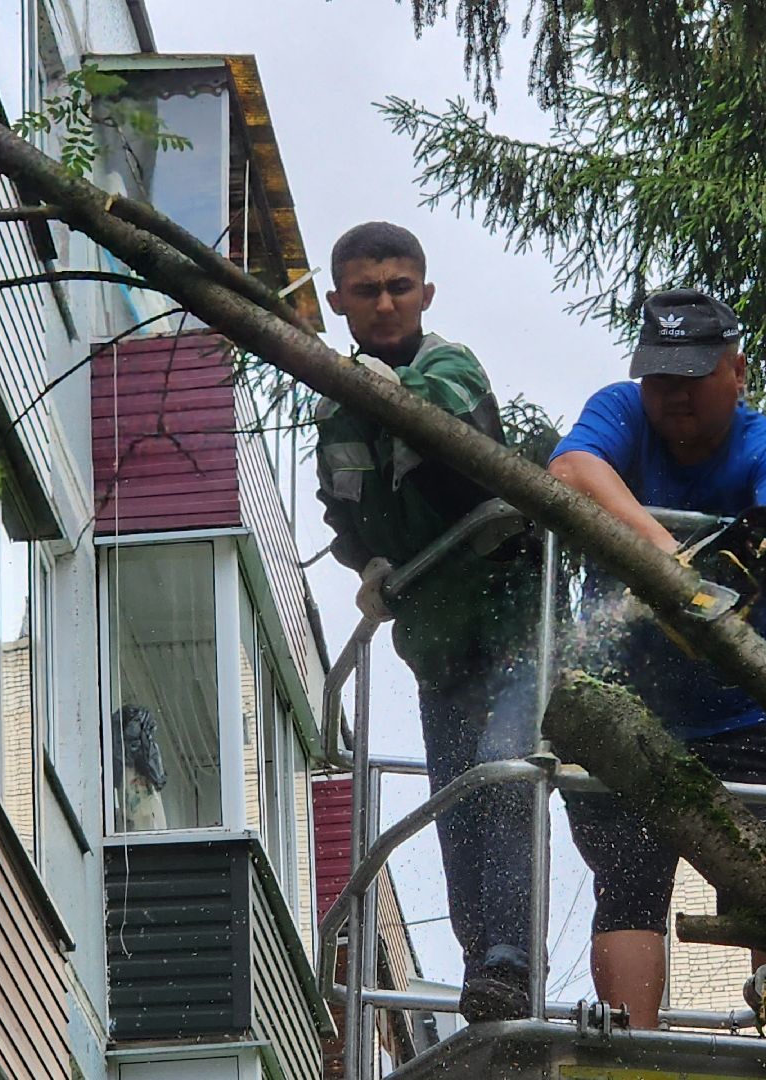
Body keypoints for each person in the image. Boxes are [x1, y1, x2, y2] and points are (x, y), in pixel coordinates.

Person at [548, 287, 766, 1027]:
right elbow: (571, 471)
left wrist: (755, 566)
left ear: (738, 370)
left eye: (691, 377)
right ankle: (633, 1050)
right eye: (659, 376)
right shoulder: (619, 412)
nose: (672, 395)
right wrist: (672, 561)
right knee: (629, 878)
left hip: (747, 716)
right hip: (623, 710)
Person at [315, 222, 543, 1021]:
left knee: (505, 774)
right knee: (457, 802)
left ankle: (512, 963)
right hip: (437, 646)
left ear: (425, 294)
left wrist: (357, 379)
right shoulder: (335, 415)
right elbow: (347, 519)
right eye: (367, 290)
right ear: (337, 300)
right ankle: (482, 969)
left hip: (513, 624)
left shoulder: (450, 367)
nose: (384, 303)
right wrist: (367, 567)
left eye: (399, 287)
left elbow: (438, 432)